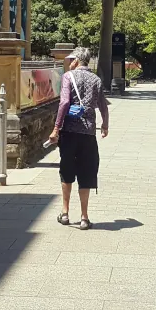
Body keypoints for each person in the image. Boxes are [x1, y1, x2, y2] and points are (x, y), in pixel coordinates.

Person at [47, 47, 109, 230]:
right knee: (86, 171)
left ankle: (65, 213)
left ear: (75, 60)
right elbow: (103, 105)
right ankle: (84, 217)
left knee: (67, 170)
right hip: (88, 133)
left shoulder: (68, 76)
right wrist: (105, 124)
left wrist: (56, 128)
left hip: (69, 132)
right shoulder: (96, 79)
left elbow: (65, 102)